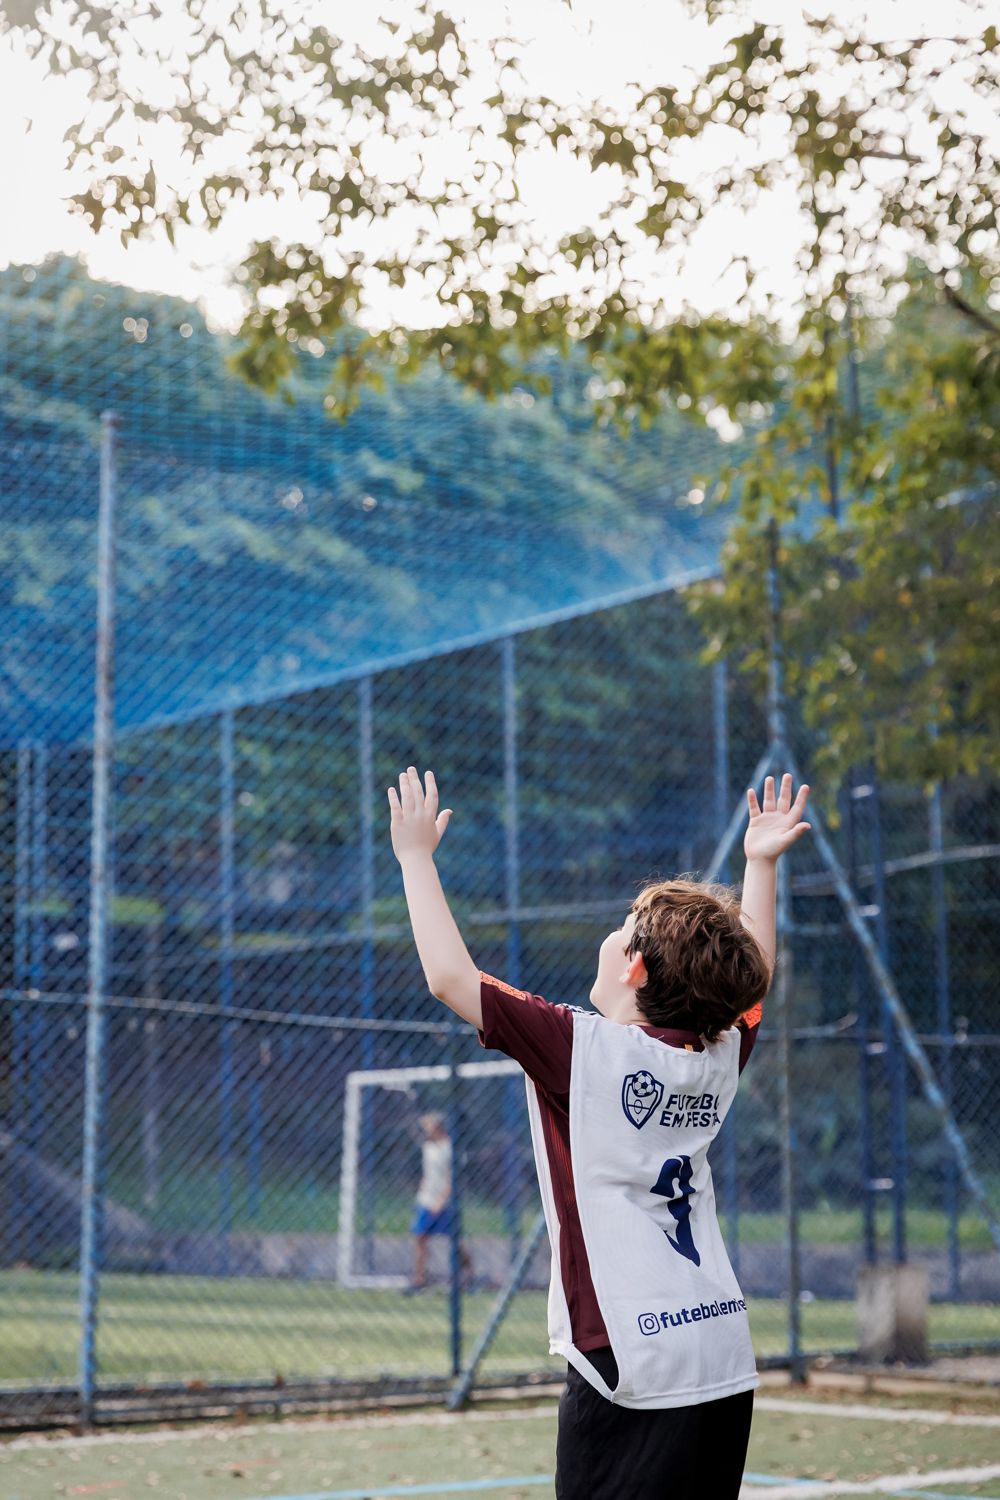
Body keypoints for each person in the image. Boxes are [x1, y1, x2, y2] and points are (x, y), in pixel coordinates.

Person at [387, 766, 810, 1500]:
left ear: (634, 965)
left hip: (632, 1357)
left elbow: (451, 980)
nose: (608, 936)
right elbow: (754, 984)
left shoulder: (581, 1049)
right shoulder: (716, 1057)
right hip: (719, 1350)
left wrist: (415, 858)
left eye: (619, 930)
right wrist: (760, 866)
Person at [405, 1110, 472, 1293]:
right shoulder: (428, 1147)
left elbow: (452, 1179)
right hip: (426, 1200)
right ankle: (419, 1279)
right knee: (420, 1237)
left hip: (445, 1203)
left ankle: (469, 1276)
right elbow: (427, 1175)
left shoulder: (451, 1148)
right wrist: (422, 1195)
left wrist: (441, 1202)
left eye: (430, 1125)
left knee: (455, 1241)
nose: (426, 1129)